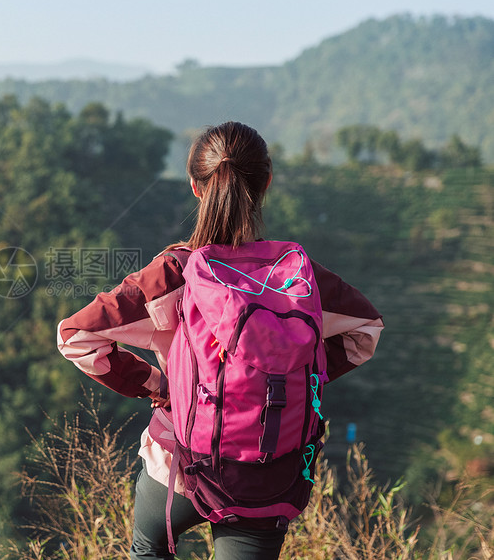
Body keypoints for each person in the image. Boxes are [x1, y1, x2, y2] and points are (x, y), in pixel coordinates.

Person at [56, 121, 384, 559]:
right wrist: (296, 371)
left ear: (196, 186)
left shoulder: (173, 274)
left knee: (148, 548)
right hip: (269, 473)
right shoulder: (299, 279)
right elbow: (366, 332)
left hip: (178, 463)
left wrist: (159, 386)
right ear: (266, 183)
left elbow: (76, 337)